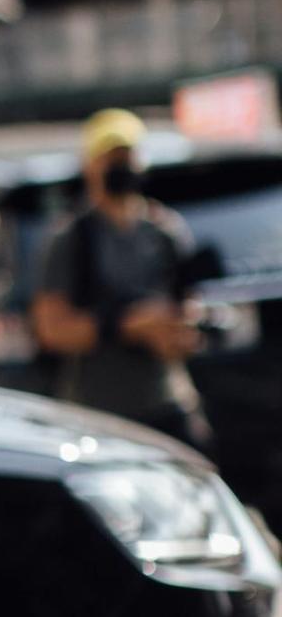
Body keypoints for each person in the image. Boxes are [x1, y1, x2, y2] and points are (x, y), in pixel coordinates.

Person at [31, 107, 215, 454]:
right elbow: (51, 329)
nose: (121, 168)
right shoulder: (73, 238)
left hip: (167, 404)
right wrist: (124, 324)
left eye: (127, 157)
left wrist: (179, 330)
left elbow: (188, 313)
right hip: (98, 415)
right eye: (111, 159)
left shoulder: (164, 230)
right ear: (90, 165)